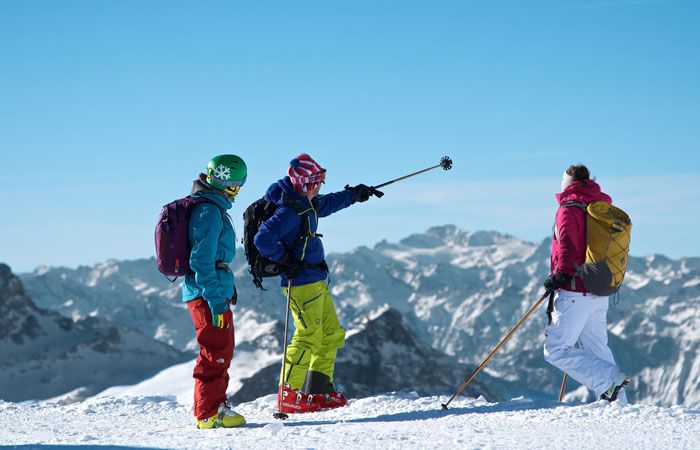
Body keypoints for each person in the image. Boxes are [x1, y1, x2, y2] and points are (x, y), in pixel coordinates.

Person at [253, 153, 380, 413]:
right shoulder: (290, 210)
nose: (321, 185)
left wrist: (355, 194)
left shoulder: (305, 203)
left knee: (331, 333)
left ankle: (318, 390)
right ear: (307, 183)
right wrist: (285, 260)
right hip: (300, 282)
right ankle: (289, 392)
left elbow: (329, 203)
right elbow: (262, 239)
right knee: (308, 335)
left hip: (315, 279)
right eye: (318, 180)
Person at [543, 164, 629, 405]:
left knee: (556, 350)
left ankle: (610, 380)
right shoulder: (599, 206)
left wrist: (560, 275)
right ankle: (619, 405)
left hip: (574, 291)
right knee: (598, 349)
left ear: (568, 183)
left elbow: (569, 246)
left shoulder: (568, 209)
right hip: (598, 290)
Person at [183, 155, 248, 428]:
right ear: (229, 183)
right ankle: (209, 413)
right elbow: (201, 260)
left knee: (222, 347)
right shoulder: (208, 211)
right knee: (215, 351)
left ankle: (215, 406)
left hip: (212, 290)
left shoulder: (212, 208)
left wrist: (226, 289)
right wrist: (215, 300)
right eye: (238, 185)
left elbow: (214, 257)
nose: (238, 191)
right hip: (206, 294)